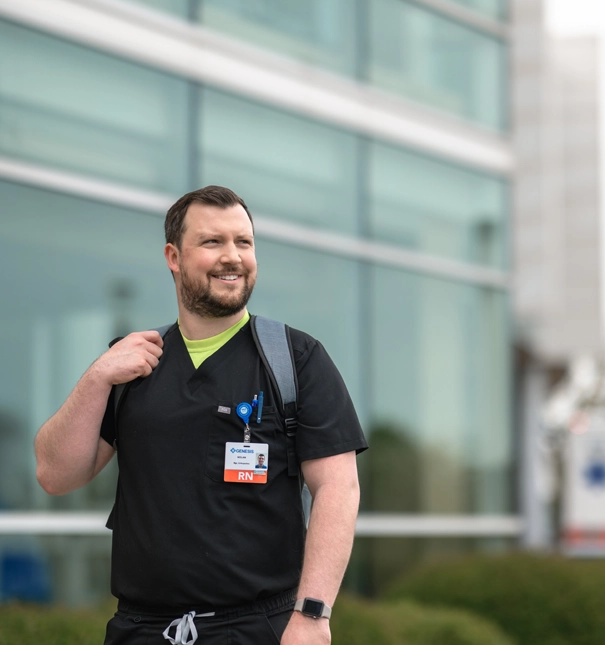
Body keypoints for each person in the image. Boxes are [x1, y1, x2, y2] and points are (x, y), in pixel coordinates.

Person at [34, 186, 368, 645]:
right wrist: (96, 378)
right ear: (174, 256)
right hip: (140, 630)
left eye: (243, 243)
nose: (233, 256)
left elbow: (338, 487)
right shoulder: (134, 363)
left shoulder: (295, 358)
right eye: (213, 242)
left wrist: (312, 615)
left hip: (257, 629)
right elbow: (56, 475)